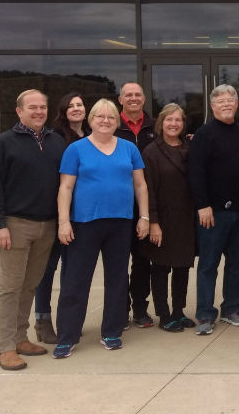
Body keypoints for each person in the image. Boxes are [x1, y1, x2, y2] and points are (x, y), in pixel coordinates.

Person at [53, 98, 149, 358]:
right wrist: (64, 222)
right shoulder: (76, 149)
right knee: (76, 280)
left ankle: (112, 331)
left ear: (117, 122)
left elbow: (140, 185)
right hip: (84, 223)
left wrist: (144, 217)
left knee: (118, 279)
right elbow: (66, 187)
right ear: (90, 120)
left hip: (121, 223)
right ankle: (67, 336)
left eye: (110, 117)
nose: (105, 121)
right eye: (99, 117)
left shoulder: (129, 149)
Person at [0, 89, 65, 370]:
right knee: (9, 287)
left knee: (30, 284)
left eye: (42, 107)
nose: (38, 111)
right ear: (19, 111)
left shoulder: (56, 142)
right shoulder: (3, 144)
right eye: (32, 107)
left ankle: (20, 336)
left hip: (47, 225)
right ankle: (5, 347)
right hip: (15, 225)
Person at [187, 84, 239, 335]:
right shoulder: (204, 134)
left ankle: (231, 308)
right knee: (208, 264)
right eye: (220, 101)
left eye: (230, 100)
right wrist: (202, 205)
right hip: (211, 213)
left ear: (236, 104)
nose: (226, 104)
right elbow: (196, 172)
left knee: (238, 262)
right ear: (212, 106)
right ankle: (205, 313)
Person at [33, 92, 91, 344]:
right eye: (71, 106)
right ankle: (43, 320)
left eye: (80, 105)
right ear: (64, 111)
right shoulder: (55, 138)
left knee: (72, 271)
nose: (77, 109)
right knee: (47, 269)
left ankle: (68, 321)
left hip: (83, 215)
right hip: (58, 214)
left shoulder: (91, 136)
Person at [141, 103, 196, 332]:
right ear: (161, 123)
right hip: (162, 219)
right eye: (169, 120)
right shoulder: (151, 152)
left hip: (186, 218)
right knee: (161, 267)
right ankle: (164, 315)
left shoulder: (191, 147)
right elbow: (147, 190)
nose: (174, 124)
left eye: (178, 120)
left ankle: (178, 311)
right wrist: (153, 223)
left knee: (183, 267)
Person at [114, 82, 156, 329]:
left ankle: (140, 309)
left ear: (144, 98)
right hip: (118, 207)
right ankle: (120, 311)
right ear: (120, 99)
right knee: (118, 262)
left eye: (137, 94)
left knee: (142, 262)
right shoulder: (110, 125)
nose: (133, 98)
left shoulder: (155, 127)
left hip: (145, 207)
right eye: (128, 95)